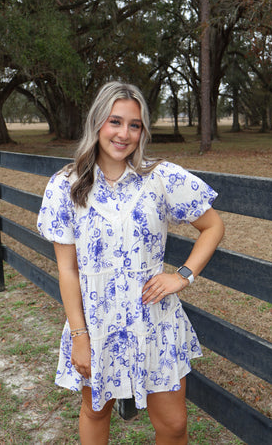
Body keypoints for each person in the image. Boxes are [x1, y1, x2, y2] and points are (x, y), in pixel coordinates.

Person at [37, 81, 224, 445]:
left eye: (134, 125)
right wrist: (79, 336)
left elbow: (213, 225)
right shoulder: (65, 185)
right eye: (115, 122)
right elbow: (68, 269)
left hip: (154, 320)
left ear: (143, 130)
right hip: (96, 321)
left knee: (173, 424)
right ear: (97, 124)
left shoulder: (161, 177)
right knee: (95, 410)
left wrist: (183, 276)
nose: (124, 134)